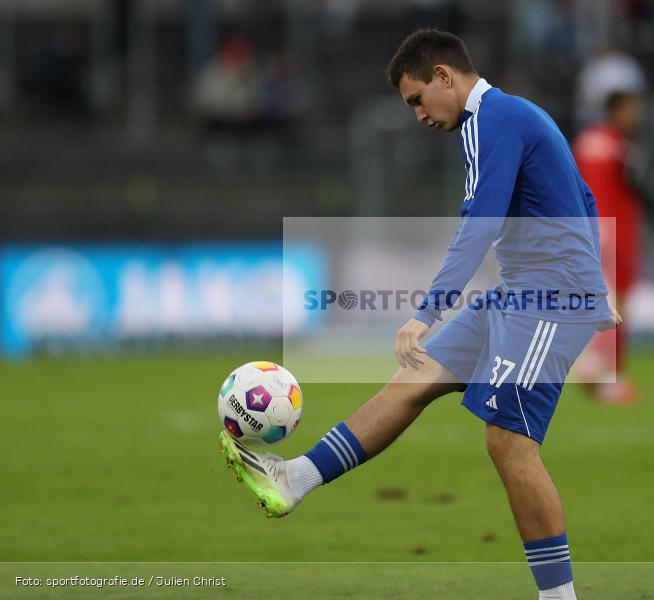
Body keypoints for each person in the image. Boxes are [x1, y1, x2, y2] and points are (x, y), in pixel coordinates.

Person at [218, 29, 620, 600]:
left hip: (546, 299)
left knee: (509, 443)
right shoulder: (514, 117)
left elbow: (480, 225)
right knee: (414, 379)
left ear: (444, 77)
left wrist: (426, 311)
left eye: (415, 100)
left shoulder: (492, 121)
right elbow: (582, 196)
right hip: (525, 290)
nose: (417, 115)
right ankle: (293, 480)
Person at [573, 90, 654, 404]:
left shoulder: (583, 142)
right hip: (617, 235)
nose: (635, 114)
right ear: (617, 110)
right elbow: (643, 191)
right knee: (618, 306)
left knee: (592, 301)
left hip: (584, 231)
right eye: (631, 109)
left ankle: (591, 369)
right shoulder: (623, 148)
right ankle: (606, 376)